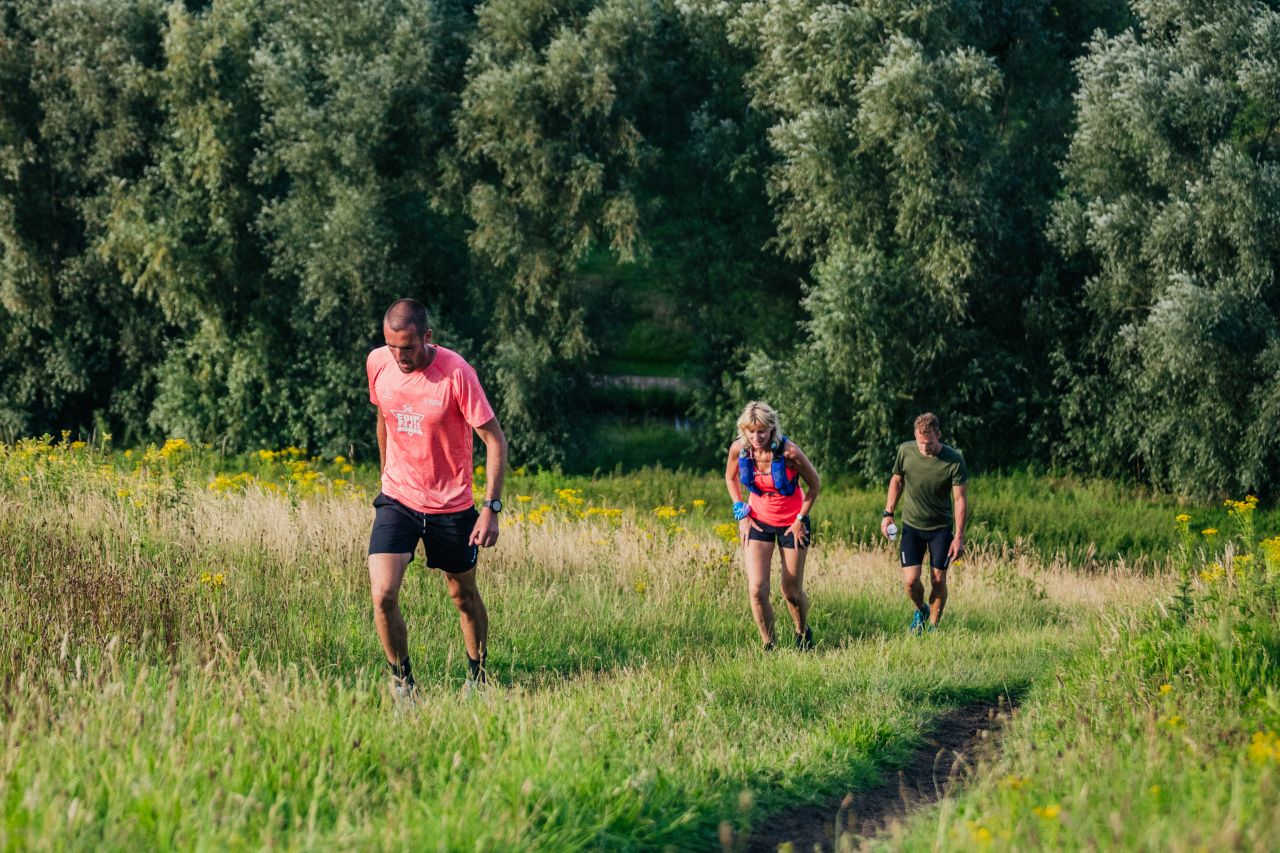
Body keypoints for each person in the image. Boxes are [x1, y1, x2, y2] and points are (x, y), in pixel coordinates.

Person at [366, 298, 507, 696]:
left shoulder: (456, 373)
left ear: (427, 337)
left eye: (408, 346)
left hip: (451, 506)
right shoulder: (378, 363)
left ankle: (477, 678)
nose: (399, 356)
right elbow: (384, 416)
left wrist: (490, 509)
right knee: (383, 595)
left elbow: (495, 440)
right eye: (392, 346)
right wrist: (384, 475)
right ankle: (402, 685)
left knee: (462, 596)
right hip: (398, 498)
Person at [724, 401, 821, 650]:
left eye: (762, 432)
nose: (756, 437)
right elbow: (730, 477)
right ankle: (769, 645)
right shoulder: (739, 450)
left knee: (791, 591)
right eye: (751, 431)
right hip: (757, 520)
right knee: (757, 589)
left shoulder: (789, 453)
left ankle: (802, 633)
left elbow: (815, 484)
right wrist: (741, 513)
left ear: (772, 429)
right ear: (744, 430)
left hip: (792, 522)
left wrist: (801, 520)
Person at [880, 413, 968, 634]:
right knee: (910, 581)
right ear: (915, 436)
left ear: (939, 435)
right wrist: (888, 513)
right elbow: (896, 480)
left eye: (929, 443)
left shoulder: (954, 460)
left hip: (940, 529)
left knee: (938, 580)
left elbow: (960, 500)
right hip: (912, 526)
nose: (924, 448)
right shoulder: (905, 451)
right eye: (920, 443)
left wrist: (959, 537)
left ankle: (933, 628)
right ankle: (921, 609)